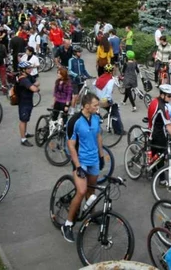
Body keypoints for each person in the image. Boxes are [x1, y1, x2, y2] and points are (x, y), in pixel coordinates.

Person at [62, 93, 105, 243]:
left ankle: (91, 216)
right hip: (80, 160)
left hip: (93, 158)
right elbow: (71, 145)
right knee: (81, 192)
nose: (97, 107)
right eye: (95, 105)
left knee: (91, 190)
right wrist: (78, 166)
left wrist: (101, 156)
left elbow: (98, 136)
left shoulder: (96, 118)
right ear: (86, 106)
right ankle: (67, 224)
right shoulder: (75, 121)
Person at [147, 84, 171, 169]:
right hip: (158, 134)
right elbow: (168, 125)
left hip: (151, 130)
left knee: (154, 153)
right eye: (169, 96)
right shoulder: (162, 108)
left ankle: (152, 170)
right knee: (161, 156)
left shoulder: (154, 101)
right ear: (162, 95)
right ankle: (162, 179)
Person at [16, 61, 39, 147]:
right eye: (28, 68)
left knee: (26, 119)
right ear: (23, 70)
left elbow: (37, 82)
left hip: (28, 101)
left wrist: (33, 86)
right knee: (23, 120)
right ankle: (23, 139)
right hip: (23, 102)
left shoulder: (28, 77)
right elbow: (34, 89)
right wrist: (34, 87)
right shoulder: (23, 79)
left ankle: (25, 133)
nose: (31, 69)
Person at [68, 46, 92, 111]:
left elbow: (84, 70)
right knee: (75, 96)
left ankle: (78, 107)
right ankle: (72, 110)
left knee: (80, 96)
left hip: (81, 81)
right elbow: (69, 71)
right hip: (74, 81)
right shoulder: (71, 60)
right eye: (79, 52)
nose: (80, 53)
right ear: (75, 52)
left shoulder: (81, 61)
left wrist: (89, 76)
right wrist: (76, 75)